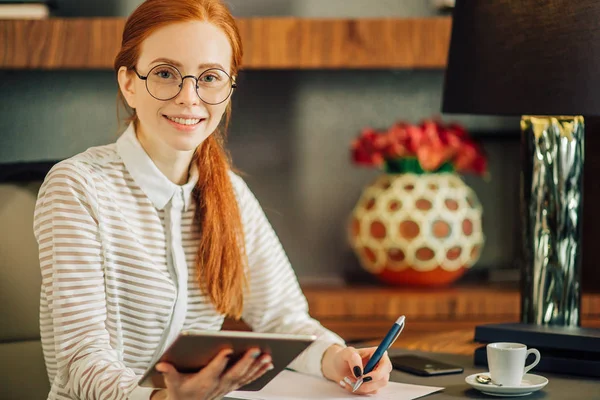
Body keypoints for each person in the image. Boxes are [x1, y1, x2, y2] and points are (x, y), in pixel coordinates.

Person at [33, 0, 393, 399]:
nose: (190, 97)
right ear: (129, 84)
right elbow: (81, 358)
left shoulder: (229, 193)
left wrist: (338, 357)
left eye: (209, 77)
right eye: (166, 74)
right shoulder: (78, 187)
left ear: (228, 87)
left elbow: (285, 319)